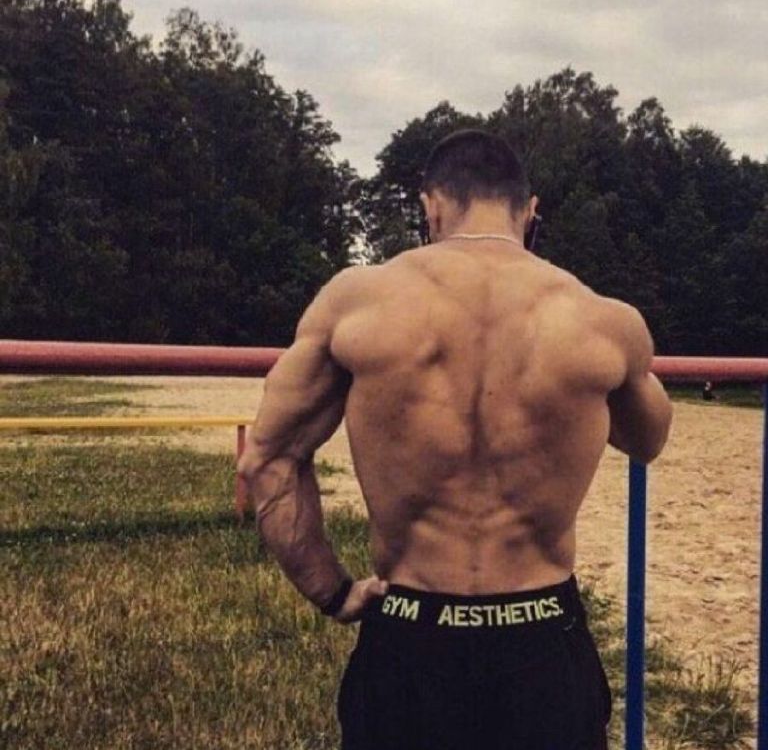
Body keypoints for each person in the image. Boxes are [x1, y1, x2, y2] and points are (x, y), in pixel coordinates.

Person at [238, 128, 673, 750]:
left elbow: (267, 459)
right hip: (542, 639)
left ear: (431, 207)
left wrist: (332, 591)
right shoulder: (604, 320)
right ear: (530, 212)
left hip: (410, 634)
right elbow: (648, 440)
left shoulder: (356, 302)